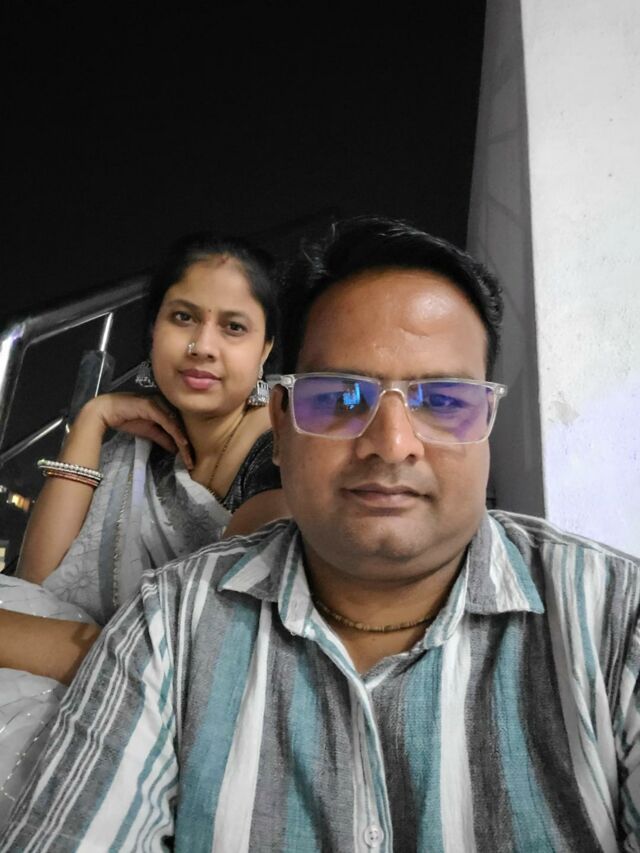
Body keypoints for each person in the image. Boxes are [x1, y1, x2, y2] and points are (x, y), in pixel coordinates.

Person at [2, 216, 639, 852]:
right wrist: (92, 421)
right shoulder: (172, 614)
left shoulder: (612, 623)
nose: (392, 444)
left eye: (444, 401)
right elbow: (43, 584)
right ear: (283, 420)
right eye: (341, 398)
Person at [0, 232, 288, 825]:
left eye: (233, 327)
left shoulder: (281, 460)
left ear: (265, 350)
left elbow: (198, 667)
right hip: (106, 664)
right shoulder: (141, 448)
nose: (202, 346)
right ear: (153, 330)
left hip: (189, 721)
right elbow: (38, 580)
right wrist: (92, 419)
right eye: (183, 318)